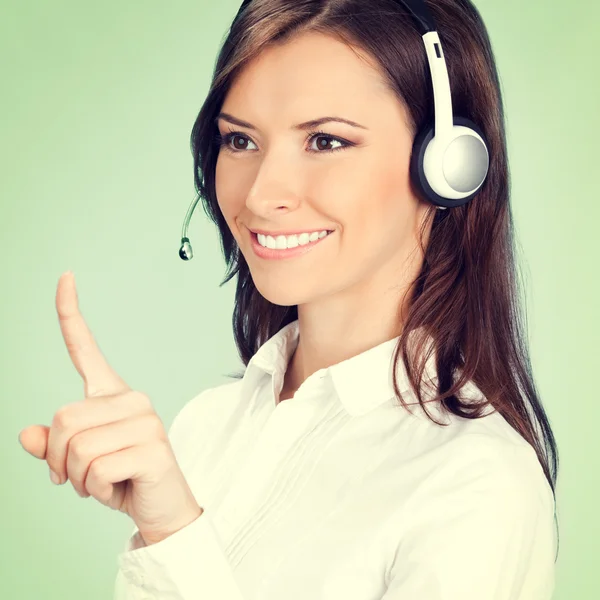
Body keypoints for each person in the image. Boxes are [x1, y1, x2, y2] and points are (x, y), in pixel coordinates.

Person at [114, 0, 559, 598]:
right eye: (240, 140)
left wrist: (172, 532)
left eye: (325, 141)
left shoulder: (477, 481)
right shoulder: (204, 427)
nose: (264, 193)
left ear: (447, 165)